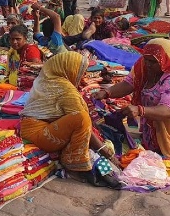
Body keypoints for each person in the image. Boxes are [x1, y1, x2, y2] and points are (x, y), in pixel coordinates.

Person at [93, 39, 170, 167]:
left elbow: (169, 111)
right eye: (146, 59)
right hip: (164, 114)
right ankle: (156, 141)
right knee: (155, 114)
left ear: (166, 59)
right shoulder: (143, 66)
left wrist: (140, 110)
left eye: (153, 62)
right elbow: (128, 84)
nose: (147, 64)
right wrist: (106, 93)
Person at [21, 52, 120, 188]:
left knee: (82, 120)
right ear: (70, 68)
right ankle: (74, 164)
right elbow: (81, 123)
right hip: (40, 135)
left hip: (30, 129)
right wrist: (107, 154)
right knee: (82, 118)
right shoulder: (65, 89)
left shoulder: (47, 80)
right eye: (81, 71)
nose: (82, 76)